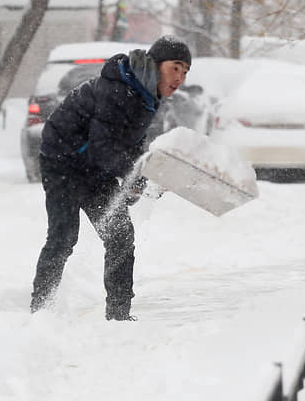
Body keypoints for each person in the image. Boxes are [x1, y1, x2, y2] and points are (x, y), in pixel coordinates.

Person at [30, 35, 191, 320]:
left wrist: (137, 177)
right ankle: (40, 310)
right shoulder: (119, 89)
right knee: (63, 237)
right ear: (156, 63)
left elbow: (130, 142)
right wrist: (138, 179)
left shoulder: (146, 95)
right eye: (176, 67)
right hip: (62, 162)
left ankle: (118, 316)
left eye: (185, 71)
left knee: (120, 236)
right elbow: (103, 146)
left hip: (94, 167)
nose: (180, 77)